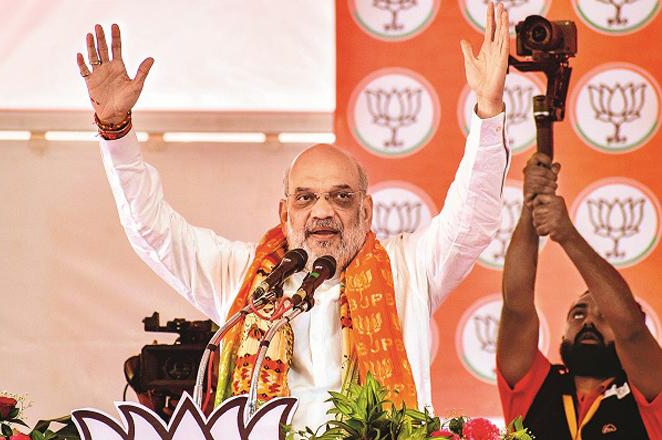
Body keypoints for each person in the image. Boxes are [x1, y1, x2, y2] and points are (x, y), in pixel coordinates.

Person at [77, 3, 512, 431]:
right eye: (306, 198)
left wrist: (489, 114)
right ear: (285, 213)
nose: (323, 211)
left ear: (366, 209)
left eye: (341, 197)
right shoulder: (245, 280)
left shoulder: (409, 269)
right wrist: (116, 132)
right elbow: (152, 231)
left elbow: (471, 220)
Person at [497, 153, 662, 439]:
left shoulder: (648, 391)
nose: (588, 322)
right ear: (562, 334)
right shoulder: (535, 388)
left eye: (604, 315)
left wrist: (566, 234)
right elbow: (517, 307)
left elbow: (631, 330)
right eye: (578, 313)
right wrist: (531, 205)